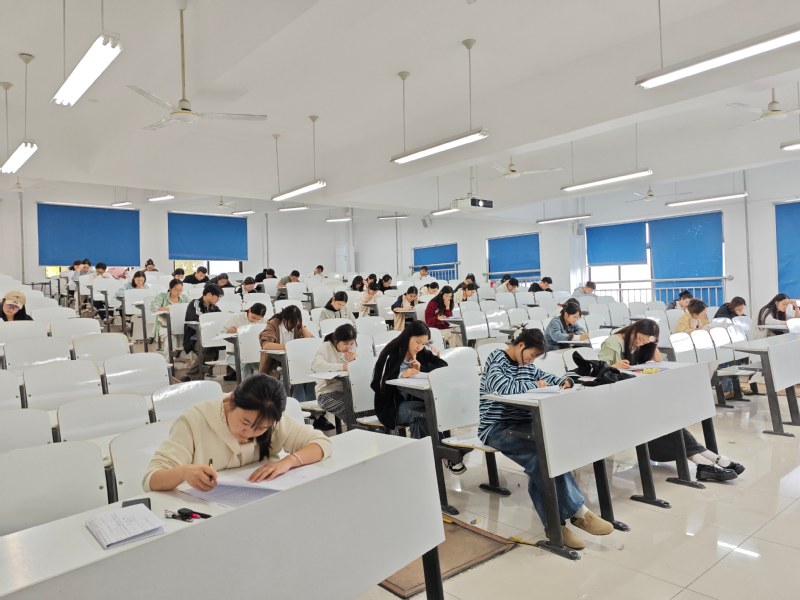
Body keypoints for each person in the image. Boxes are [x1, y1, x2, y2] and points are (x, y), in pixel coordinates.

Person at [479, 328, 610, 550]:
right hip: (496, 427)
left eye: (535, 358)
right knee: (540, 459)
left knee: (550, 454)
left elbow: (547, 378)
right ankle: (579, 513)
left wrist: (564, 381)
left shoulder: (527, 366)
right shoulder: (497, 358)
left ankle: (555, 527)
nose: (531, 361)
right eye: (531, 355)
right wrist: (536, 385)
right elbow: (501, 388)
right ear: (521, 346)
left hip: (525, 425)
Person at [598, 319, 745, 482]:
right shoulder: (613, 342)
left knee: (667, 420)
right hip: (618, 403)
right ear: (633, 329)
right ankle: (709, 459)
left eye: (644, 342)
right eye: (639, 339)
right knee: (662, 420)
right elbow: (597, 371)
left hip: (635, 398)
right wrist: (614, 366)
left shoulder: (637, 343)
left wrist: (652, 343)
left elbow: (658, 360)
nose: (640, 343)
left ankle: (706, 461)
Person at [144, 374, 331, 492]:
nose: (250, 433)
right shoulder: (194, 420)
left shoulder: (271, 418)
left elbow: (322, 443)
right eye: (245, 422)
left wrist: (288, 462)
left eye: (261, 428)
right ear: (232, 401)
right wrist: (184, 472)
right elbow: (151, 479)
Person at [371, 320, 447, 439]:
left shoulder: (421, 352)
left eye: (423, 344)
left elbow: (443, 365)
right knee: (421, 414)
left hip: (413, 401)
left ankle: (437, 447)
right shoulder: (391, 353)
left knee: (436, 409)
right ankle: (429, 448)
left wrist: (422, 368)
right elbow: (377, 383)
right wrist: (400, 375)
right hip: (391, 408)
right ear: (408, 336)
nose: (420, 347)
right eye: (418, 342)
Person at [311, 323, 358, 422]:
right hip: (326, 393)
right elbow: (315, 365)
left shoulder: (352, 349)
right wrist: (342, 366)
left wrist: (354, 361)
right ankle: (355, 429)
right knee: (351, 411)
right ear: (336, 340)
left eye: (351, 343)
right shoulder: (326, 346)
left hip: (348, 391)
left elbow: (360, 367)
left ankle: (363, 429)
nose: (349, 347)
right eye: (345, 344)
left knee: (366, 407)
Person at [181, 284, 224, 382]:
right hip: (195, 338)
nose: (218, 299)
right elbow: (200, 318)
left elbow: (221, 318)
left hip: (210, 338)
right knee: (208, 350)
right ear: (209, 294)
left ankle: (232, 373)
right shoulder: (195, 303)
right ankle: (192, 377)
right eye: (217, 297)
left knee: (232, 344)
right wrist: (213, 322)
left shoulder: (214, 307)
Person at [222, 303, 268, 381]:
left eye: (258, 319)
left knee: (268, 365)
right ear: (249, 311)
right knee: (244, 365)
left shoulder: (265, 321)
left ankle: (267, 386)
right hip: (235, 353)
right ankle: (247, 387)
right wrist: (229, 332)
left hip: (255, 354)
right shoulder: (236, 318)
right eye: (253, 317)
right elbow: (222, 333)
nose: (254, 321)